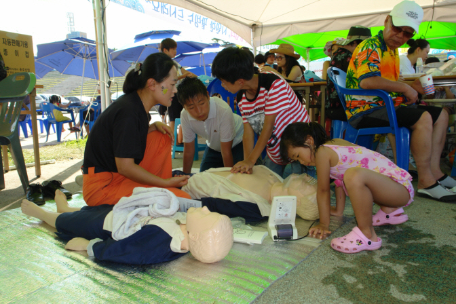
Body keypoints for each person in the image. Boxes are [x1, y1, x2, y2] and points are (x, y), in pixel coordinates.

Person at [345, 0, 456, 202]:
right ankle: (425, 182)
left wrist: (410, 87)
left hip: (384, 105)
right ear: (387, 21)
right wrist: (405, 87)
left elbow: (388, 82)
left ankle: (435, 172)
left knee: (441, 115)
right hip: (366, 109)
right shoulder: (371, 46)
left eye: (408, 34)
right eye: (398, 29)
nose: (401, 36)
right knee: (422, 117)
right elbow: (368, 82)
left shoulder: (390, 49)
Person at [280, 122, 414, 253]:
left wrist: (323, 224)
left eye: (298, 156)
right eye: (297, 160)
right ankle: (389, 210)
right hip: (396, 189)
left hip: (399, 190)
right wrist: (338, 210)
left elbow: (323, 191)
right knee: (349, 175)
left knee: (353, 175)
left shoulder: (322, 152)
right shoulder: (333, 144)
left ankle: (367, 235)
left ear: (309, 140)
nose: (302, 162)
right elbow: (339, 181)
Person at [82, 53, 191, 207]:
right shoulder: (129, 111)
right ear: (152, 84)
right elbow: (125, 167)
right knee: (181, 200)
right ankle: (160, 187)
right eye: (172, 85)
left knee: (161, 136)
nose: (174, 91)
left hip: (117, 176)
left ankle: (157, 186)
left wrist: (153, 126)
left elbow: (125, 139)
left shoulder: (135, 106)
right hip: (103, 187)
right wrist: (165, 183)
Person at [20, 189, 233, 264]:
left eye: (206, 215)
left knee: (67, 223)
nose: (205, 209)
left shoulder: (161, 243)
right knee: (85, 212)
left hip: (105, 226)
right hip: (122, 214)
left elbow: (127, 251)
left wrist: (89, 246)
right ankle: (65, 208)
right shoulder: (183, 233)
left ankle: (41, 213)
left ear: (195, 236)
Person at [211, 47, 310, 177]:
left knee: (293, 184)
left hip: (300, 148)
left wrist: (251, 161)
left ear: (240, 81)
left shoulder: (274, 85)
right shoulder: (242, 98)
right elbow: (248, 132)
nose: (223, 86)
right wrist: (247, 163)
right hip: (276, 150)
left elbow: (268, 127)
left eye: (224, 82)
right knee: (267, 182)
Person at [182, 165, 326, 221]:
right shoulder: (276, 178)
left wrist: (180, 198)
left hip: (187, 188)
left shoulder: (257, 207)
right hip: (192, 175)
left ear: (297, 202)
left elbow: (213, 205)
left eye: (306, 183)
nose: (307, 177)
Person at [177, 77, 244, 173]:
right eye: (191, 107)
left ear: (208, 96)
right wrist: (184, 176)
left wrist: (230, 180)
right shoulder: (184, 115)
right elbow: (189, 150)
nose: (199, 111)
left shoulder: (223, 110)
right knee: (204, 177)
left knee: (239, 176)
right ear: (184, 106)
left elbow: (226, 152)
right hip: (213, 146)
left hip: (237, 143)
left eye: (202, 103)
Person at [326, 26, 372, 121]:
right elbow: (365, 81)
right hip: (345, 108)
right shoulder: (350, 57)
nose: (367, 49)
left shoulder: (339, 54)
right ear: (355, 43)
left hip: (335, 106)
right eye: (365, 45)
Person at [160, 38, 197, 134]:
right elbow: (170, 79)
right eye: (173, 49)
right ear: (165, 50)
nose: (175, 52)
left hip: (179, 92)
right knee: (173, 117)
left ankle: (180, 139)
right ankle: (171, 140)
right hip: (171, 92)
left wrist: (196, 77)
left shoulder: (174, 63)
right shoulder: (163, 63)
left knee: (183, 115)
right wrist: (184, 76)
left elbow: (185, 71)